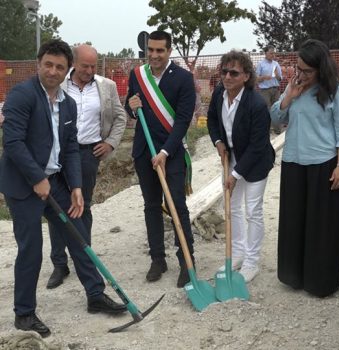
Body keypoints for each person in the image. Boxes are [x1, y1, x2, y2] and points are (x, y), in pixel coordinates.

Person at [0, 39, 126, 338]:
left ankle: (95, 295)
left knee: (78, 234)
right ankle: (25, 314)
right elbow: (13, 142)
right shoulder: (23, 95)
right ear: (39, 64)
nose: (53, 72)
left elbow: (70, 148)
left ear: (67, 69)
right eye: (49, 65)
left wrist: (77, 187)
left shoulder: (67, 103)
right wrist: (36, 178)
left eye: (59, 67)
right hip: (23, 185)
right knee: (31, 249)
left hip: (56, 181)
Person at [271, 39, 339, 297]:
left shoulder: (336, 90)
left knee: (321, 226)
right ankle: (293, 276)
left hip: (324, 164)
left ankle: (320, 281)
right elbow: (275, 118)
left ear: (321, 68)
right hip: (293, 161)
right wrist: (288, 97)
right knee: (294, 222)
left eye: (307, 70)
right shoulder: (294, 87)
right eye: (298, 68)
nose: (301, 74)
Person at [46, 44, 127, 289]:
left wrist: (111, 143)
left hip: (87, 154)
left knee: (84, 206)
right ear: (73, 63)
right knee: (57, 208)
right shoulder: (58, 84)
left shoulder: (106, 87)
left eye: (93, 66)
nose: (89, 71)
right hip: (58, 155)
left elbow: (120, 117)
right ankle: (59, 264)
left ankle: (84, 257)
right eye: (85, 66)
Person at [125, 30, 196, 288]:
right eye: (150, 50)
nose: (154, 55)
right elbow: (130, 107)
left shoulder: (184, 79)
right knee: (151, 206)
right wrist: (130, 107)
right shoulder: (137, 75)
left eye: (160, 50)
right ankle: (158, 259)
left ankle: (187, 262)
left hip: (171, 153)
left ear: (169, 51)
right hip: (144, 151)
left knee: (177, 205)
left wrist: (165, 152)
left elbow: (183, 120)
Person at [207, 50, 275, 282]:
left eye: (234, 73)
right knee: (233, 207)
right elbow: (212, 120)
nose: (227, 77)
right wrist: (217, 142)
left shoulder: (256, 104)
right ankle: (237, 253)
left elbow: (258, 146)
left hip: (256, 162)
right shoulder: (219, 94)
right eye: (224, 71)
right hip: (232, 154)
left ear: (246, 76)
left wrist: (235, 175)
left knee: (252, 210)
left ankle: (252, 261)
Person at [256, 46, 283, 133]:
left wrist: (277, 75)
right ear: (266, 53)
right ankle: (266, 129)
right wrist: (263, 77)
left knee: (277, 109)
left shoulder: (276, 64)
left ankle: (277, 129)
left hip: (275, 90)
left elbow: (280, 79)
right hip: (265, 91)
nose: (273, 55)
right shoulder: (260, 64)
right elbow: (256, 79)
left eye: (273, 53)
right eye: (271, 53)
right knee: (266, 110)